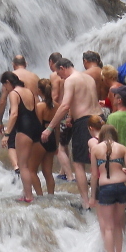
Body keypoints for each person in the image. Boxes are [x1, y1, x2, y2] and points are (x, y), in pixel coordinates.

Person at [42, 58, 100, 208]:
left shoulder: (70, 80)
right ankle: (98, 199)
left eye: (58, 72)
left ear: (62, 67)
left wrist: (50, 128)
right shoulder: (88, 78)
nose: (59, 76)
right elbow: (85, 100)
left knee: (79, 164)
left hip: (84, 123)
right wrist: (71, 117)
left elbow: (65, 105)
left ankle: (86, 203)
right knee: (99, 161)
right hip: (100, 120)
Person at [89, 125, 126, 252]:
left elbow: (93, 175)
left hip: (106, 187)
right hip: (123, 187)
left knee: (108, 227)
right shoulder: (122, 148)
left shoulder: (95, 150)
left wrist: (92, 196)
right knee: (117, 224)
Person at [1, 71, 44, 203]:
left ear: (8, 82)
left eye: (4, 86)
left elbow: (14, 114)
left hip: (24, 130)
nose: (5, 89)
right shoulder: (29, 91)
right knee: (31, 167)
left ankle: (28, 197)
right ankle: (35, 194)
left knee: (23, 165)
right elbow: (36, 111)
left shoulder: (14, 94)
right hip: (36, 127)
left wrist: (7, 134)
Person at [0, 55, 40, 175]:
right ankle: (29, 168)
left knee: (12, 143)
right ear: (25, 63)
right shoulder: (34, 76)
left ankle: (17, 167)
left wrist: (0, 121)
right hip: (34, 112)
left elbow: (2, 101)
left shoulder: (10, 79)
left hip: (19, 114)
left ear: (13, 64)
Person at [47, 53, 74, 182]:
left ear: (51, 62)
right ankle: (63, 171)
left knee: (60, 146)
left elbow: (55, 96)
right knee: (65, 143)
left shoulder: (54, 76)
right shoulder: (70, 77)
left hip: (62, 112)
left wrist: (49, 110)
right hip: (71, 112)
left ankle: (68, 175)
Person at [36, 79, 59, 195]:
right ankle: (51, 195)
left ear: (39, 90)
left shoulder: (40, 106)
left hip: (41, 138)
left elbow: (38, 126)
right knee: (48, 172)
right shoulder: (57, 106)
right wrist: (57, 145)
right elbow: (57, 127)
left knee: (31, 170)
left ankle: (39, 195)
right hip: (52, 138)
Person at [106, 87, 126, 157]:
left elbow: (107, 137)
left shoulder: (112, 117)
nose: (113, 98)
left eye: (114, 96)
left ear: (119, 100)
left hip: (116, 155)